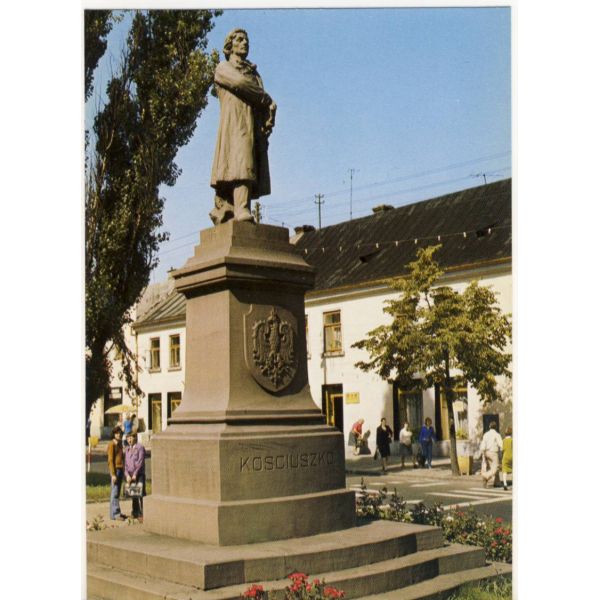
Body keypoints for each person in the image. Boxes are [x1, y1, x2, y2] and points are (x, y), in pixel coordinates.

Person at [209, 28, 277, 225]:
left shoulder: (254, 73)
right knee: (241, 163)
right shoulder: (223, 68)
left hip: (251, 126)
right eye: (239, 40)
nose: (244, 43)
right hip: (235, 126)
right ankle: (240, 208)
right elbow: (240, 83)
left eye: (246, 40)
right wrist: (266, 99)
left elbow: (256, 94)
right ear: (229, 46)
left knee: (247, 163)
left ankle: (235, 207)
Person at [124, 431, 146, 520]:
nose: (129, 440)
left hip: (139, 474)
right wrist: (127, 475)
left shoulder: (140, 447)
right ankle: (135, 512)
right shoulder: (127, 449)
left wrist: (135, 474)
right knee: (133, 494)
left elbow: (140, 462)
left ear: (135, 438)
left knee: (141, 493)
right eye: (127, 438)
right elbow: (126, 464)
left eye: (131, 438)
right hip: (130, 475)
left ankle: (144, 512)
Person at [107, 426, 127, 520]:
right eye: (117, 433)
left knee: (116, 492)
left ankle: (114, 514)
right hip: (115, 470)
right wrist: (113, 474)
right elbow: (110, 460)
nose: (119, 435)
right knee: (114, 492)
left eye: (120, 433)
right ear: (114, 434)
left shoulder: (119, 444)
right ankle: (116, 514)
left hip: (120, 470)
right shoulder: (112, 444)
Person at [480, 420, 503, 488]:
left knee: (493, 468)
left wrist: (483, 453)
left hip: (486, 452)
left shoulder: (486, 434)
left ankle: (497, 482)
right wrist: (502, 450)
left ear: (489, 427)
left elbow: (483, 444)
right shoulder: (497, 435)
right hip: (493, 452)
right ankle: (486, 477)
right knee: (496, 467)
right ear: (496, 427)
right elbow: (501, 444)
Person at [501, 426, 513, 491]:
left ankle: (505, 484)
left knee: (504, 470)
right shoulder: (512, 440)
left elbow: (502, 450)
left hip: (505, 456)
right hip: (512, 456)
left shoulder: (503, 440)